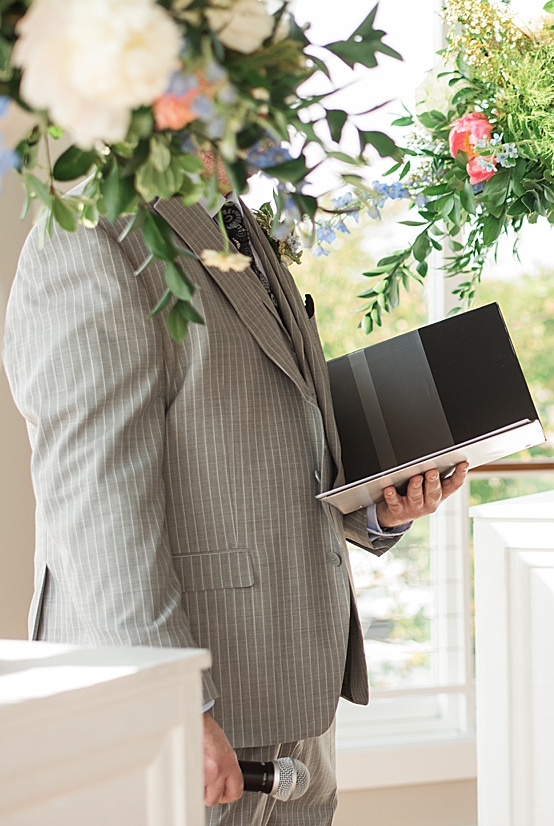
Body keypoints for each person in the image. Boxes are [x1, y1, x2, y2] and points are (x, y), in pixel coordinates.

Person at [3, 189, 468, 825]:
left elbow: (266, 452)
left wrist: (376, 510)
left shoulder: (239, 224)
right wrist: (174, 704)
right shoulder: (91, 238)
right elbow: (93, 509)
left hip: (294, 705)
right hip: (182, 718)